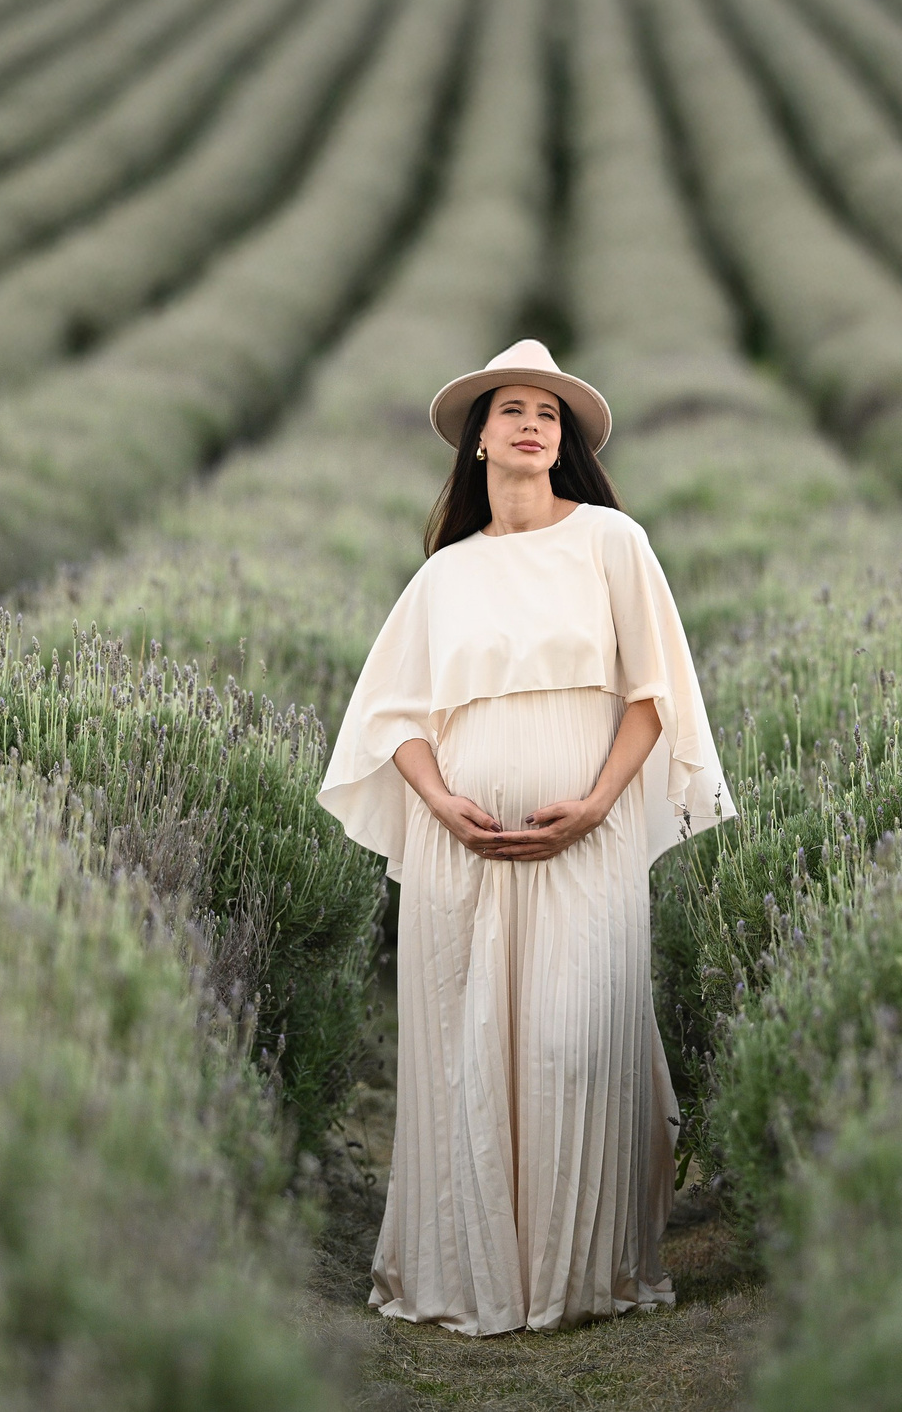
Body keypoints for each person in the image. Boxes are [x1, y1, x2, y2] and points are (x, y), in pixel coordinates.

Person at [319, 338, 732, 1336]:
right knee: (467, 1048)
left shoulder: (609, 542)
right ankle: (471, 1271)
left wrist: (594, 805)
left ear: (564, 443)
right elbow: (390, 722)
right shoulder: (444, 577)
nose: (533, 422)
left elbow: (655, 697)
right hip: (459, 850)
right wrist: (438, 804)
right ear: (477, 441)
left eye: (549, 413)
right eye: (512, 408)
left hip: (583, 839)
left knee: (570, 1043)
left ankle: (577, 1274)